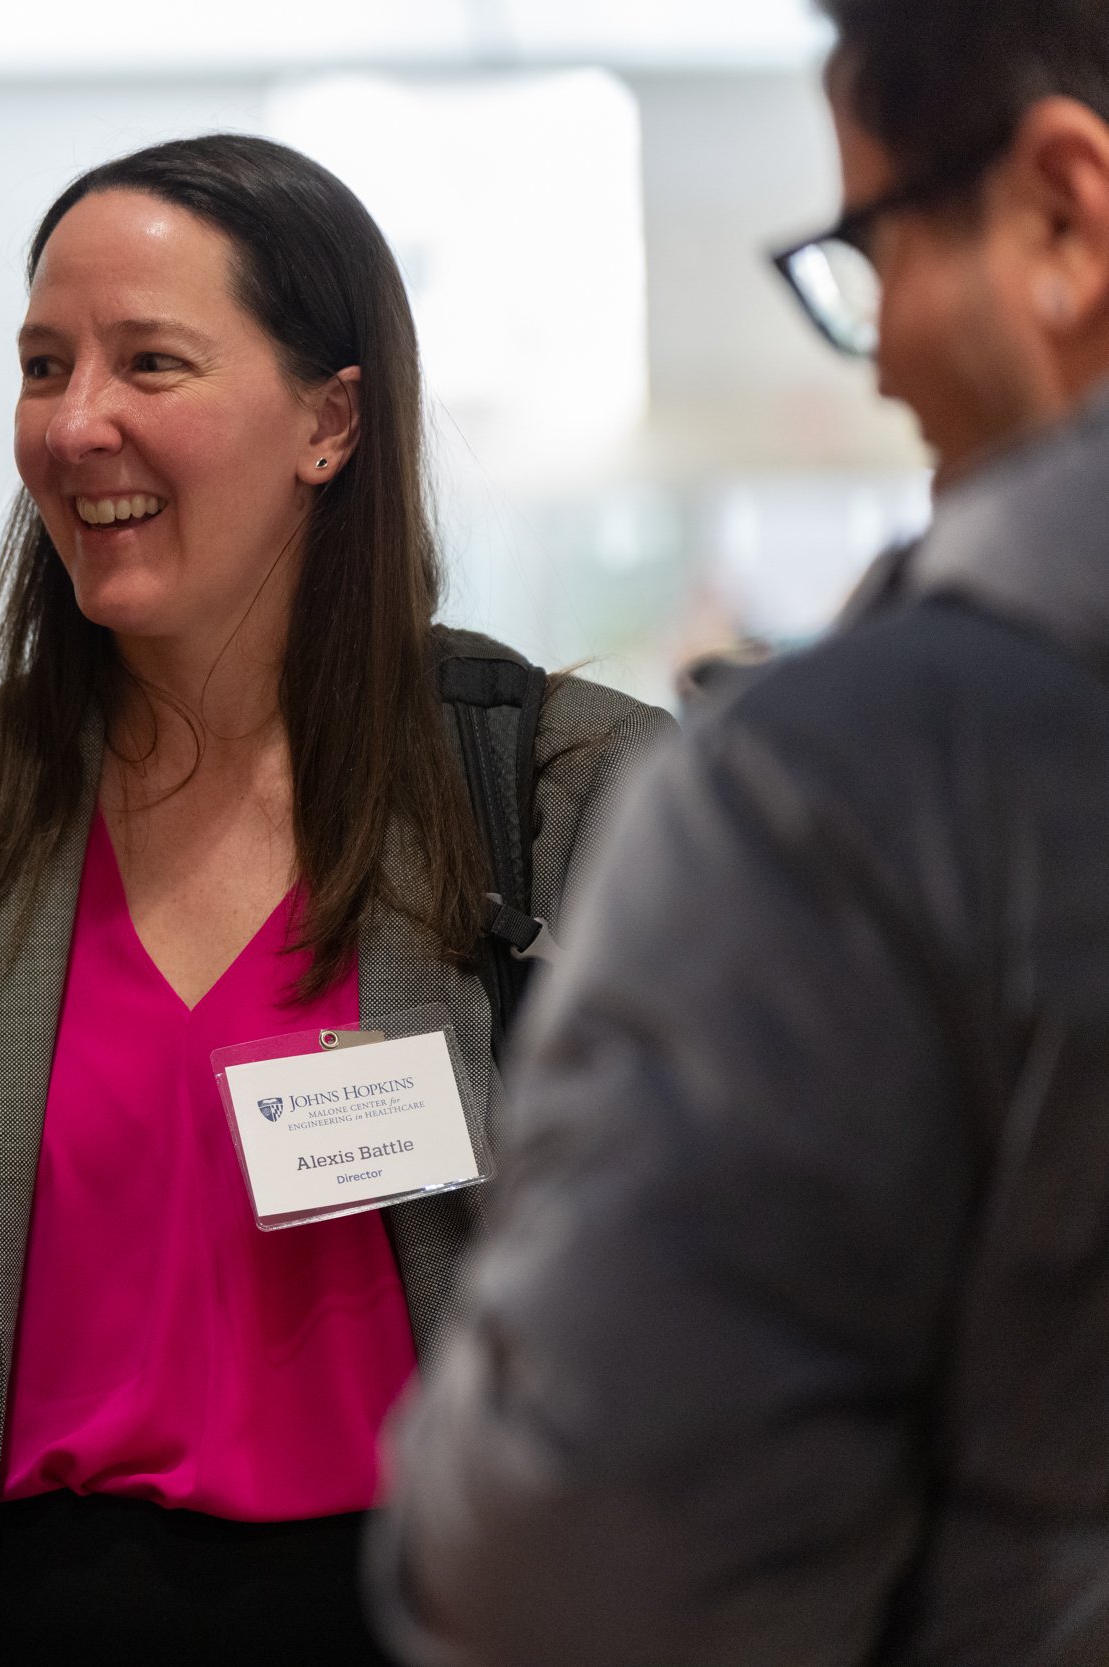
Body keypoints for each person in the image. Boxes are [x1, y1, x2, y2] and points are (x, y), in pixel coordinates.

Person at [0, 134, 670, 1667]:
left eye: (150, 363)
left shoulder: (568, 793)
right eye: (45, 365)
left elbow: (691, 1335)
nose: (77, 422)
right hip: (23, 1616)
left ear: (331, 420)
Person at [374, 3, 1109, 1663]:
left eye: (872, 246)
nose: (883, 350)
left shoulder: (842, 793)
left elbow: (584, 1550)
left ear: (1062, 211)